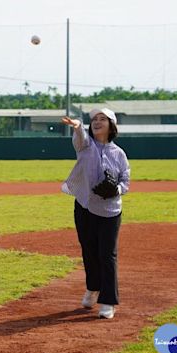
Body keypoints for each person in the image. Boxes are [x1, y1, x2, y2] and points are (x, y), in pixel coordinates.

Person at [61, 108, 130, 319]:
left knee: (107, 255)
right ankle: (93, 288)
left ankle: (108, 301)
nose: (97, 122)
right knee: (89, 251)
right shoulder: (85, 146)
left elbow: (125, 181)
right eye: (94, 119)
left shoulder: (119, 154)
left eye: (102, 119)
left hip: (110, 211)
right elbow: (80, 138)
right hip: (84, 206)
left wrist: (116, 189)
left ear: (111, 125)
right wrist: (77, 126)